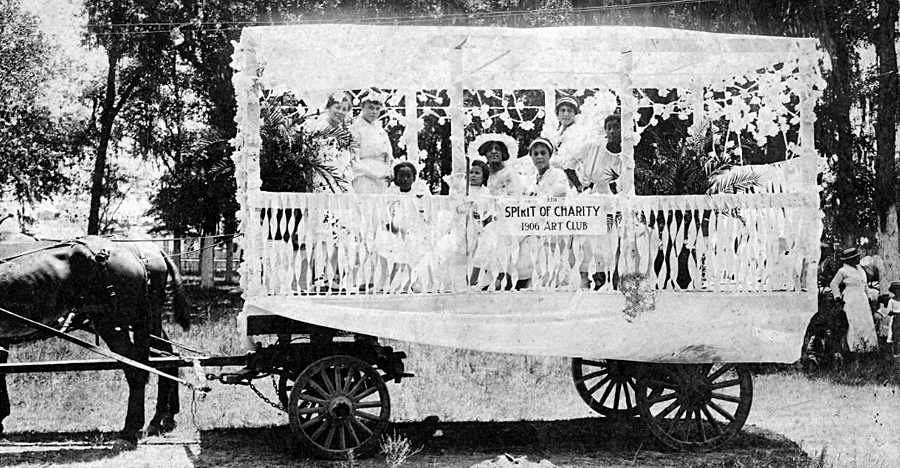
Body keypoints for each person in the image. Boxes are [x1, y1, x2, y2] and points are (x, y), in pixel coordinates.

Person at [830, 247, 879, 354]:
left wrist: (869, 296)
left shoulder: (860, 269)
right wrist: (837, 297)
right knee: (853, 322)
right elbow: (833, 284)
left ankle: (868, 347)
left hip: (862, 298)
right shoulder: (843, 271)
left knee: (865, 322)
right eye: (855, 258)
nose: (857, 260)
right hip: (851, 298)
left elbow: (864, 284)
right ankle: (854, 348)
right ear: (849, 260)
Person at [564, 113, 626, 195]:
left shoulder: (626, 156)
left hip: (612, 200)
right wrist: (580, 187)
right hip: (587, 196)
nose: (612, 131)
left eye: (616, 128)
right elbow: (568, 167)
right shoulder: (593, 147)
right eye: (609, 128)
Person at [309, 93, 355, 193]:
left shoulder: (344, 132)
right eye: (337, 107)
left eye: (344, 109)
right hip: (323, 180)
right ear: (329, 107)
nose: (340, 112)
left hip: (342, 181)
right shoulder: (319, 128)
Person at [349, 89, 393, 193]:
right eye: (370, 108)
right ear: (362, 107)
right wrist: (376, 174)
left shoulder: (379, 128)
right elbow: (353, 161)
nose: (374, 112)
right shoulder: (355, 129)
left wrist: (389, 170)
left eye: (377, 109)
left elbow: (388, 153)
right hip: (364, 178)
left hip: (383, 176)